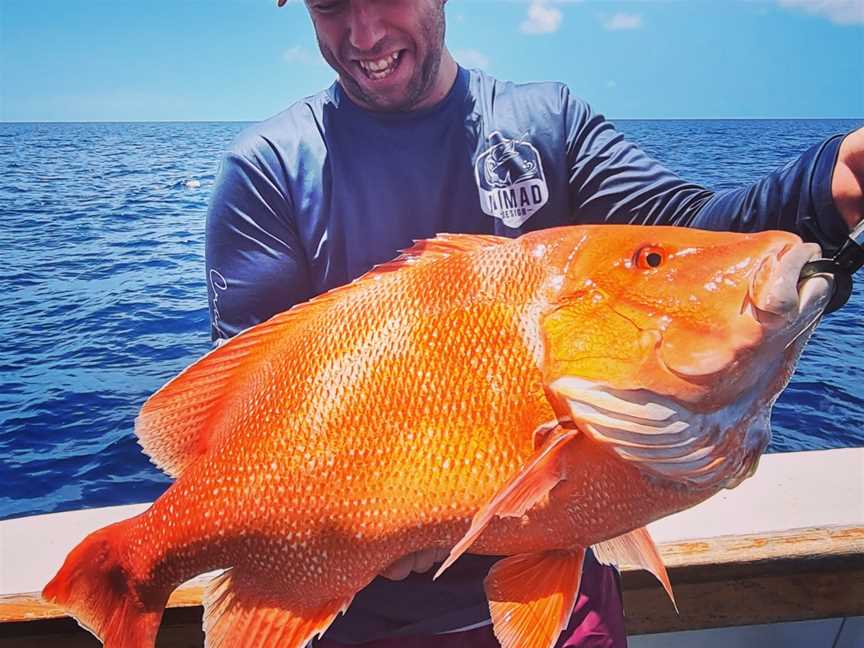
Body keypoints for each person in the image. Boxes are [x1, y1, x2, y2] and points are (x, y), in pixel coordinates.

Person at [205, 1, 863, 645]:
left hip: (570, 600)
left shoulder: (547, 124)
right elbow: (244, 416)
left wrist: (827, 187)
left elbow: (690, 245)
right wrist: (347, 512)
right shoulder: (268, 168)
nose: (365, 32)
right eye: (330, 7)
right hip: (362, 619)